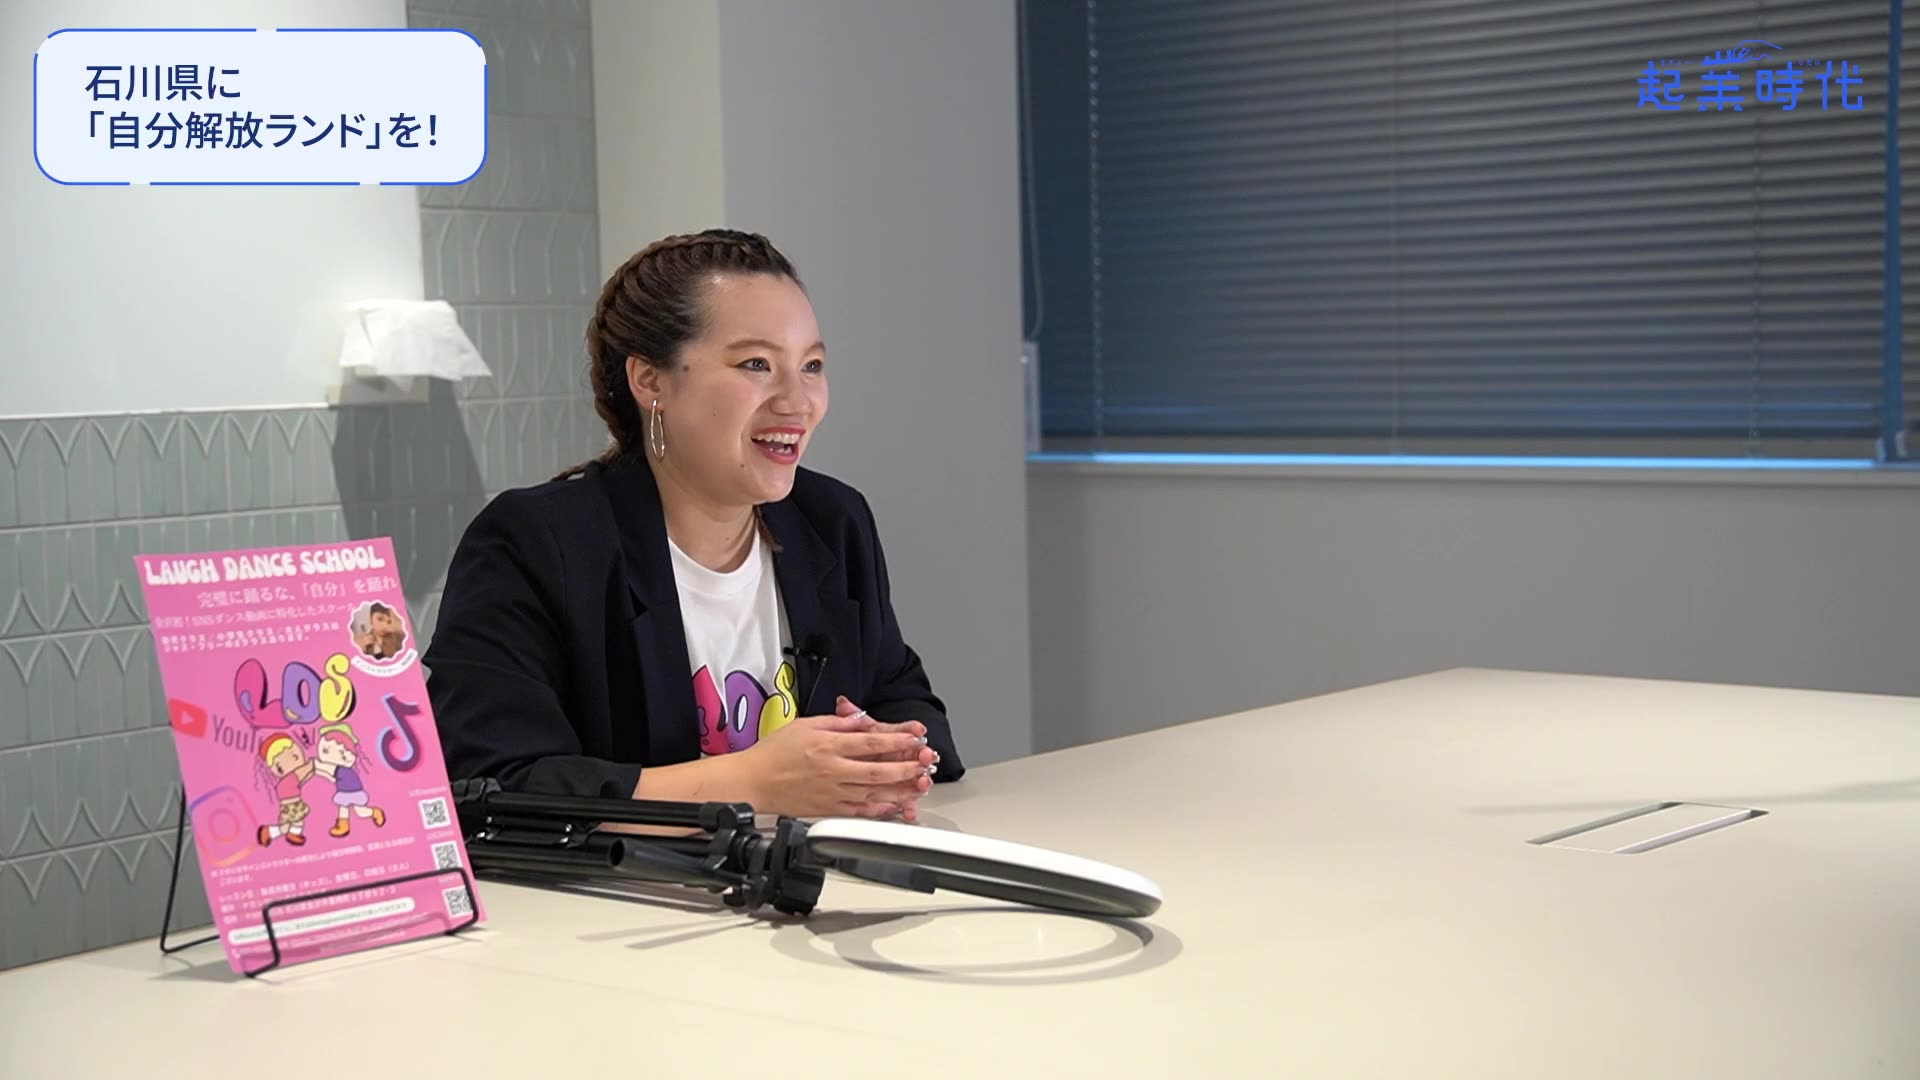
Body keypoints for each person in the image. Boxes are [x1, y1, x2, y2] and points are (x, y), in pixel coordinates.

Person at [425, 228, 960, 824]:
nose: (797, 401)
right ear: (650, 380)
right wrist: (752, 782)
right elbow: (491, 784)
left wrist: (889, 756)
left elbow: (904, 697)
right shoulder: (534, 543)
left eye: (811, 366)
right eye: (757, 364)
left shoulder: (832, 520)